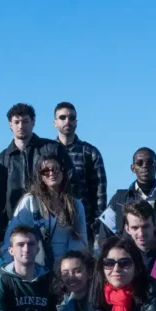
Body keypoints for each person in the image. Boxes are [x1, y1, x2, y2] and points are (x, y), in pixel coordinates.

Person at [0, 103, 75, 244]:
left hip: (55, 224)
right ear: (10, 124)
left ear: (33, 122)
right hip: (18, 229)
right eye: (16, 122)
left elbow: (72, 183)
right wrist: (0, 238)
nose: (21, 126)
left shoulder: (53, 149)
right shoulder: (1, 161)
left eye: (25, 121)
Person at [2, 153, 88, 270]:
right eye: (46, 171)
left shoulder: (76, 205)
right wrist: (9, 266)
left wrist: (74, 267)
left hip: (66, 270)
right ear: (40, 176)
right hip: (36, 268)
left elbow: (80, 241)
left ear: (63, 172)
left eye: (56, 169)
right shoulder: (30, 202)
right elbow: (12, 235)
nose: (51, 173)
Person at [97, 148, 156, 246]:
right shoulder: (118, 200)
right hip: (128, 259)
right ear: (133, 168)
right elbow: (104, 236)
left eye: (150, 162)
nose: (145, 166)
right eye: (139, 163)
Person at [53, 102, 106, 244]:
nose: (67, 121)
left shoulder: (90, 152)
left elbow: (100, 193)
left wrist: (95, 224)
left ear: (76, 122)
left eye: (71, 117)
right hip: (53, 226)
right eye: (62, 117)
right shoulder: (47, 153)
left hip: (84, 226)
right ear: (55, 123)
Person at [123, 200, 156, 269]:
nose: (141, 233)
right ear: (127, 229)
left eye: (145, 227)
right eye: (135, 228)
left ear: (155, 224)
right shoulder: (122, 256)